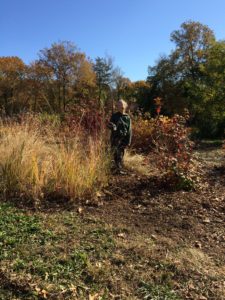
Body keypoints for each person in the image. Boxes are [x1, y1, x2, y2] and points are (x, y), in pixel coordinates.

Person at [108, 99, 132, 173]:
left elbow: (129, 130)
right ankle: (117, 168)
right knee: (115, 153)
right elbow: (109, 125)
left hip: (123, 138)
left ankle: (118, 169)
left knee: (121, 153)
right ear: (117, 107)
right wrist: (112, 126)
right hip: (115, 138)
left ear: (125, 106)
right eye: (119, 105)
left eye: (122, 105)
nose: (120, 106)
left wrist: (129, 141)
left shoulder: (127, 117)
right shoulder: (114, 116)